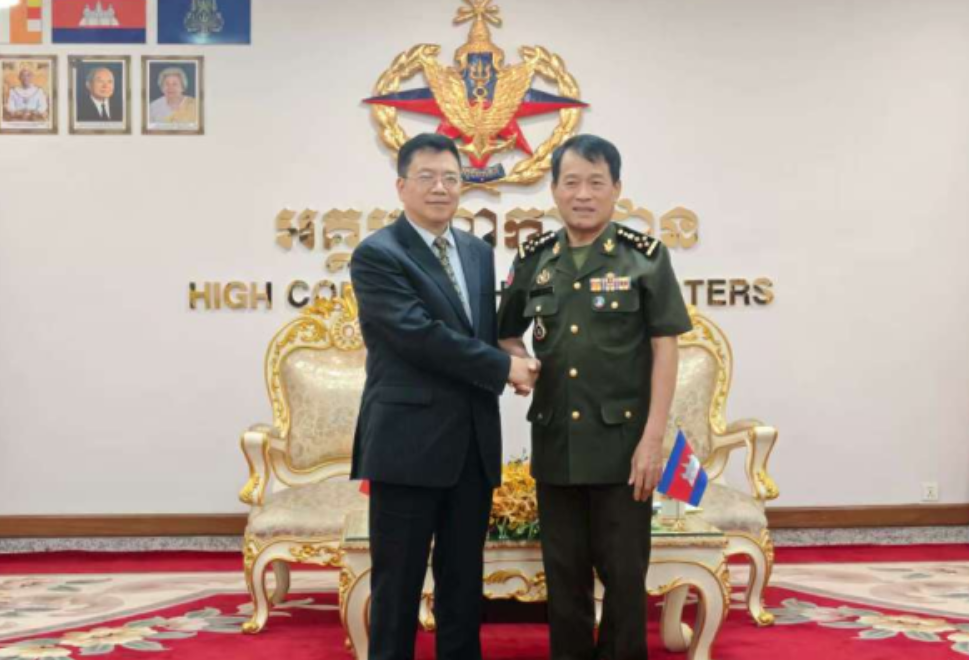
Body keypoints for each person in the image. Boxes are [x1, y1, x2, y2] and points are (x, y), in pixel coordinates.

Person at [497, 134, 693, 660]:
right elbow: (506, 333)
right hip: (555, 441)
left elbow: (665, 349)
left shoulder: (644, 258)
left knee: (625, 579)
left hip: (623, 448)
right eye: (571, 182)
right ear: (554, 190)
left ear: (616, 189)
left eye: (595, 182)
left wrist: (653, 440)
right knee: (564, 581)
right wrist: (521, 363)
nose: (582, 194)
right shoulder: (536, 258)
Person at [349, 132, 540, 660]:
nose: (440, 187)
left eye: (451, 178)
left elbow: (482, 332)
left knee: (463, 587)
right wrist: (504, 367)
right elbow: (418, 336)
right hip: (407, 446)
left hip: (472, 445)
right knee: (397, 590)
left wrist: (518, 355)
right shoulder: (377, 254)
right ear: (401, 187)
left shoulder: (477, 252)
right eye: (427, 177)